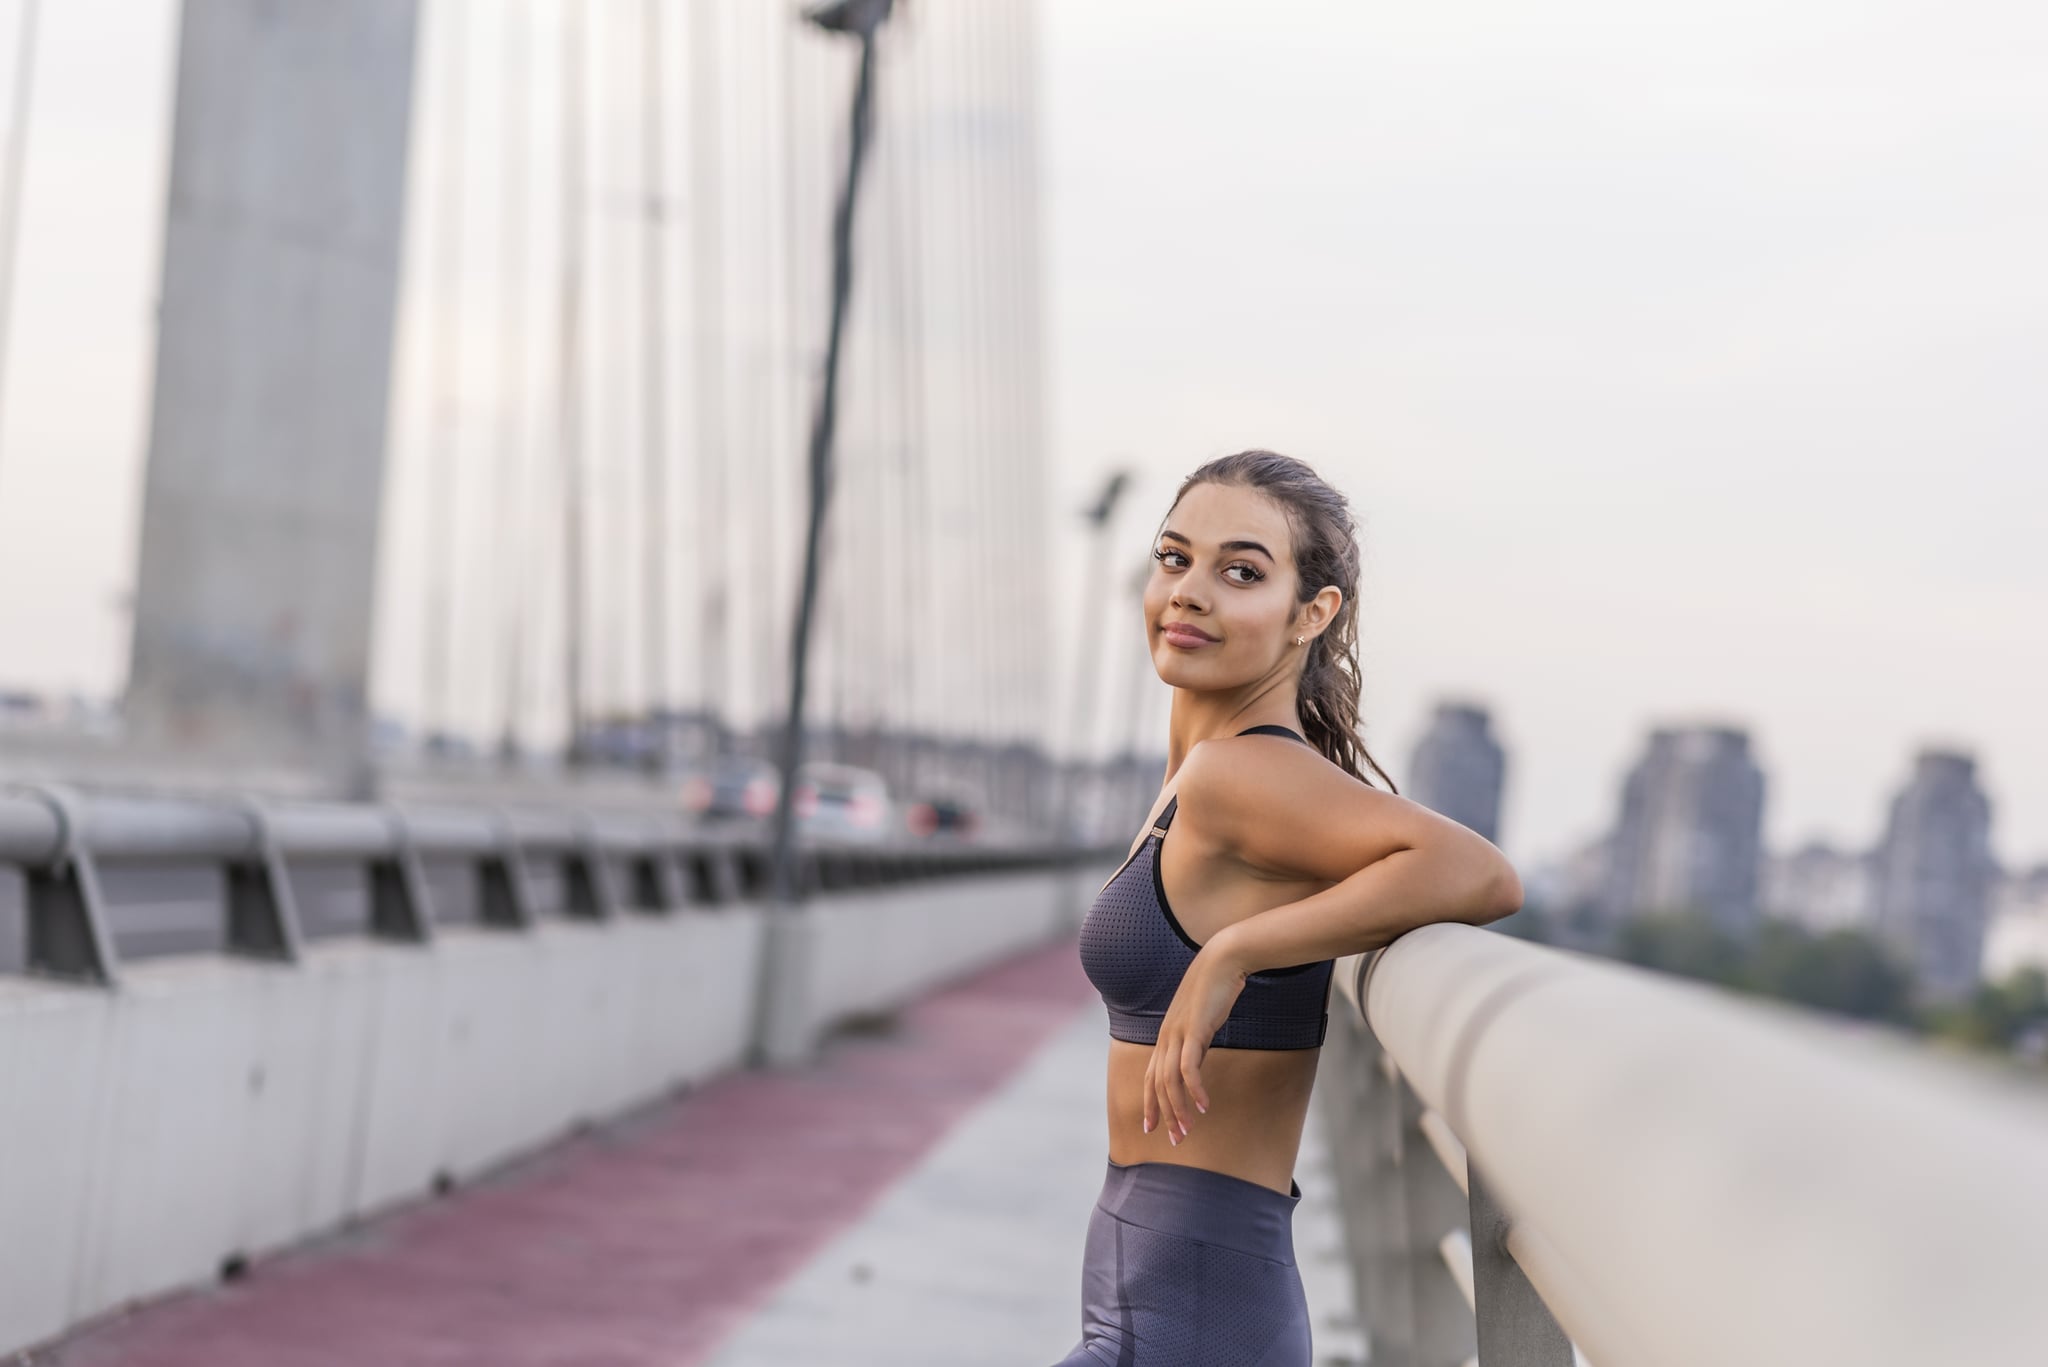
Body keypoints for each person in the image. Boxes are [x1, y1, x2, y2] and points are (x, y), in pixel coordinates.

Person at [1053, 450, 1522, 1366]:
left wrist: (1235, 950)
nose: (1189, 591)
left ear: (1313, 613)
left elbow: (1484, 874)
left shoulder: (1245, 772)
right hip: (1162, 1291)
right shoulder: (1207, 770)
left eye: (1240, 571)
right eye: (1174, 556)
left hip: (1193, 1312)